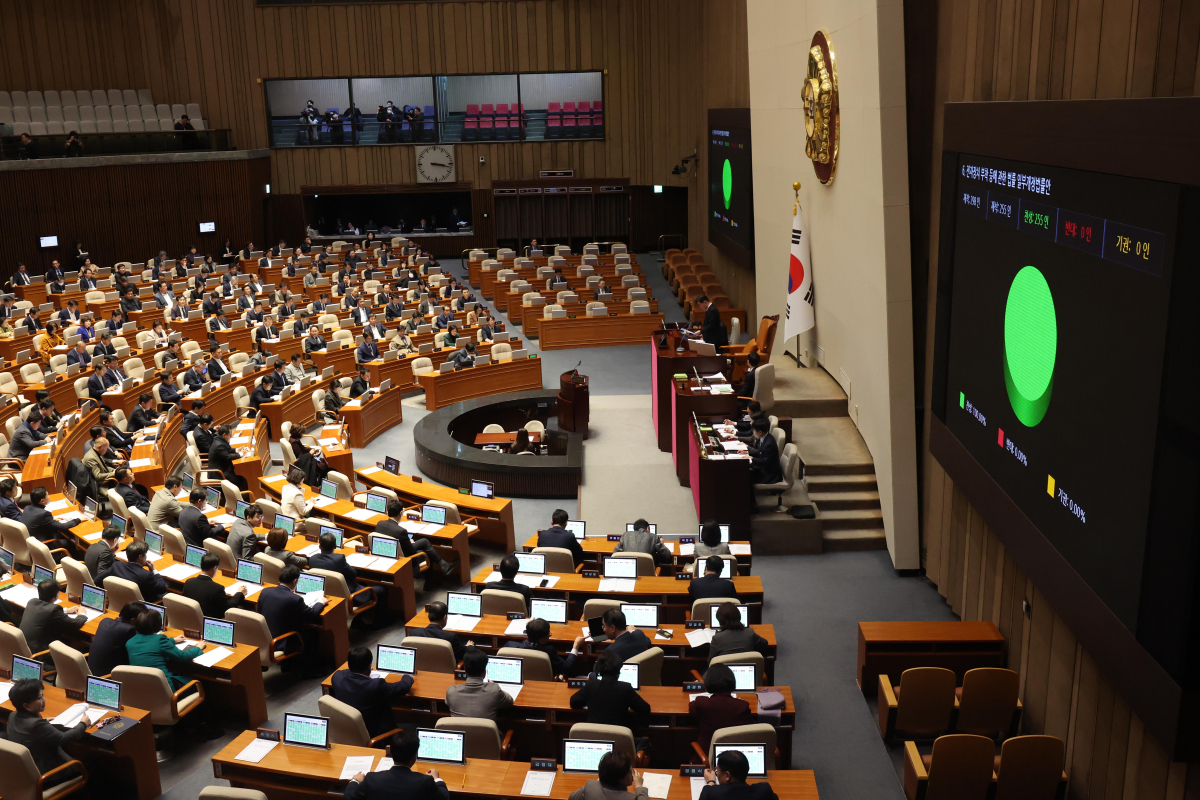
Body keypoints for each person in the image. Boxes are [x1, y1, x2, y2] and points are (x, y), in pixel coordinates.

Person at [6, 679, 88, 788]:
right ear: (26, 706)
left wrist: (43, 721)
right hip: (47, 776)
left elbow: (30, 729)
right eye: (39, 698)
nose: (44, 699)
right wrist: (83, 724)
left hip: (25, 772)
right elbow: (64, 739)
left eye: (42, 695)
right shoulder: (36, 725)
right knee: (93, 764)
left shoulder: (13, 715)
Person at [330, 646, 414, 739]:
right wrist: (407, 676)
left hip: (347, 731)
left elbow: (345, 672)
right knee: (414, 727)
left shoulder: (336, 677)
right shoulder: (376, 686)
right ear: (369, 666)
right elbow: (403, 687)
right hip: (375, 733)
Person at [258, 564, 326, 675]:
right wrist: (320, 602)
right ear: (295, 581)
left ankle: (287, 663)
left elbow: (260, 613)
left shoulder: (265, 592)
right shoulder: (294, 599)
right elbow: (312, 615)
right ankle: (310, 671)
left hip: (265, 636)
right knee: (312, 633)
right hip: (281, 641)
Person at [344, 729, 448, 800]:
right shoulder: (425, 781)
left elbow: (349, 797)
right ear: (414, 756)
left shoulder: (371, 779)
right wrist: (437, 779)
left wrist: (355, 780)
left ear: (390, 752)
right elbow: (445, 798)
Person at [569, 649, 651, 729]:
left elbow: (573, 702)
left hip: (596, 738)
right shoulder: (625, 688)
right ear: (618, 671)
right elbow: (645, 709)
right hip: (619, 738)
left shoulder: (591, 685)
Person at [310, 531, 386, 615]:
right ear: (335, 546)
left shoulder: (312, 559)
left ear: (320, 546)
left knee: (363, 583)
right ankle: (380, 623)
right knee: (383, 589)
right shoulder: (339, 559)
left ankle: (361, 617)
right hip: (349, 596)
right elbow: (353, 574)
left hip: (328, 594)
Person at [126, 607, 203, 690]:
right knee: (201, 683)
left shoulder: (130, 642)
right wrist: (198, 648)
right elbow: (183, 656)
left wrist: (173, 640)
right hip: (165, 688)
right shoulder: (160, 639)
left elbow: (150, 645)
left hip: (144, 687)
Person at [376, 499, 457, 575]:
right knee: (425, 543)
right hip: (404, 560)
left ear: (387, 512)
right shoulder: (401, 531)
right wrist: (411, 542)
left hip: (388, 554)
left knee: (423, 545)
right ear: (400, 513)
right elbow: (410, 550)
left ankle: (438, 572)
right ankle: (442, 566)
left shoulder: (380, 524)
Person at [20, 579, 87, 656]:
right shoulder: (54, 610)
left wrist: (65, 610)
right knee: (83, 648)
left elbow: (45, 611)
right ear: (55, 596)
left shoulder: (32, 602)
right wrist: (82, 613)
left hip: (24, 647)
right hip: (39, 653)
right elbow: (75, 624)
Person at [445, 647, 514, 720]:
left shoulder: (451, 691)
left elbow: (447, 702)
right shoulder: (494, 690)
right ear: (484, 672)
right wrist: (493, 686)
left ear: (465, 670)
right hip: (486, 732)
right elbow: (509, 701)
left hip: (461, 731)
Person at [506, 618, 585, 679]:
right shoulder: (548, 651)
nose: (549, 635)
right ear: (541, 640)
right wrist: (576, 646)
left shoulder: (510, 645)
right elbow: (567, 668)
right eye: (548, 634)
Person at [88, 601, 144, 676]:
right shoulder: (129, 630)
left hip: (91, 669)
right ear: (133, 621)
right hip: (108, 676)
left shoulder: (104, 621)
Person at [183, 554, 246, 618]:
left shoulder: (188, 582)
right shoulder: (217, 589)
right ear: (214, 568)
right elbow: (228, 608)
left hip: (191, 617)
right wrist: (240, 593)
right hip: (210, 620)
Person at [699, 750, 778, 800]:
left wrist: (711, 782)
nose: (717, 774)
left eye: (717, 771)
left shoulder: (712, 793)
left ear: (727, 776)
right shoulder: (764, 790)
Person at [567, 750, 648, 800]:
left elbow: (572, 797)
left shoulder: (589, 786)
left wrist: (597, 785)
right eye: (630, 770)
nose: (632, 772)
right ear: (622, 777)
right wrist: (639, 786)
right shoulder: (630, 798)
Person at [209, 424, 245, 489]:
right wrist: (241, 454)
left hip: (223, 466)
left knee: (239, 474)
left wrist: (237, 450)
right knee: (239, 480)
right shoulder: (219, 445)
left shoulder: (219, 439)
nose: (230, 436)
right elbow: (228, 457)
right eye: (230, 435)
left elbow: (228, 449)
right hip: (219, 472)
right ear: (224, 435)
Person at [747, 419, 781, 484]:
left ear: (760, 432)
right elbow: (759, 452)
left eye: (754, 431)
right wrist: (747, 452)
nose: (753, 432)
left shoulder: (769, 444)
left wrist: (751, 458)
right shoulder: (765, 437)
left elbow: (765, 461)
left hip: (769, 475)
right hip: (764, 468)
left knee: (745, 475)